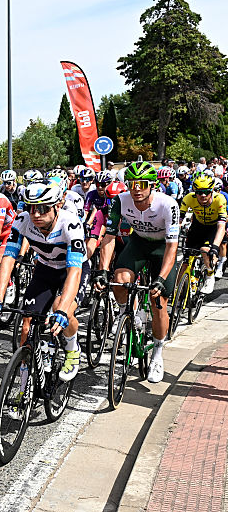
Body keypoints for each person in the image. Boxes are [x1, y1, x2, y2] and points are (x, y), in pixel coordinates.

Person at [0, 181, 87, 381]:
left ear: (57, 205)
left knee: (62, 307)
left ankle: (72, 348)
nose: (36, 214)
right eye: (32, 208)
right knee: (27, 323)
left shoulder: (71, 224)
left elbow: (74, 270)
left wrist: (60, 311)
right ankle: (25, 385)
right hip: (45, 269)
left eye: (42, 208)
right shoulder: (22, 220)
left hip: (72, 271)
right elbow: (8, 258)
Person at [95, 161, 180, 383]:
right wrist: (103, 270)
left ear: (152, 185)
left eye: (142, 184)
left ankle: (158, 352)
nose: (137, 189)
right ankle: (129, 314)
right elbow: (110, 237)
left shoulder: (168, 204)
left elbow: (172, 246)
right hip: (139, 243)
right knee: (119, 280)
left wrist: (161, 279)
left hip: (163, 248)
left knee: (158, 300)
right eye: (132, 183)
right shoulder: (120, 201)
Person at [179, 173, 226, 293]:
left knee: (205, 250)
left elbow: (221, 226)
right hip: (198, 226)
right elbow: (178, 220)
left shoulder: (219, 199)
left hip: (213, 227)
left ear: (212, 191)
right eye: (199, 192)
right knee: (185, 261)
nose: (203, 195)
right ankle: (178, 294)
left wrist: (215, 247)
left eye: (206, 191)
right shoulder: (189, 198)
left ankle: (210, 276)